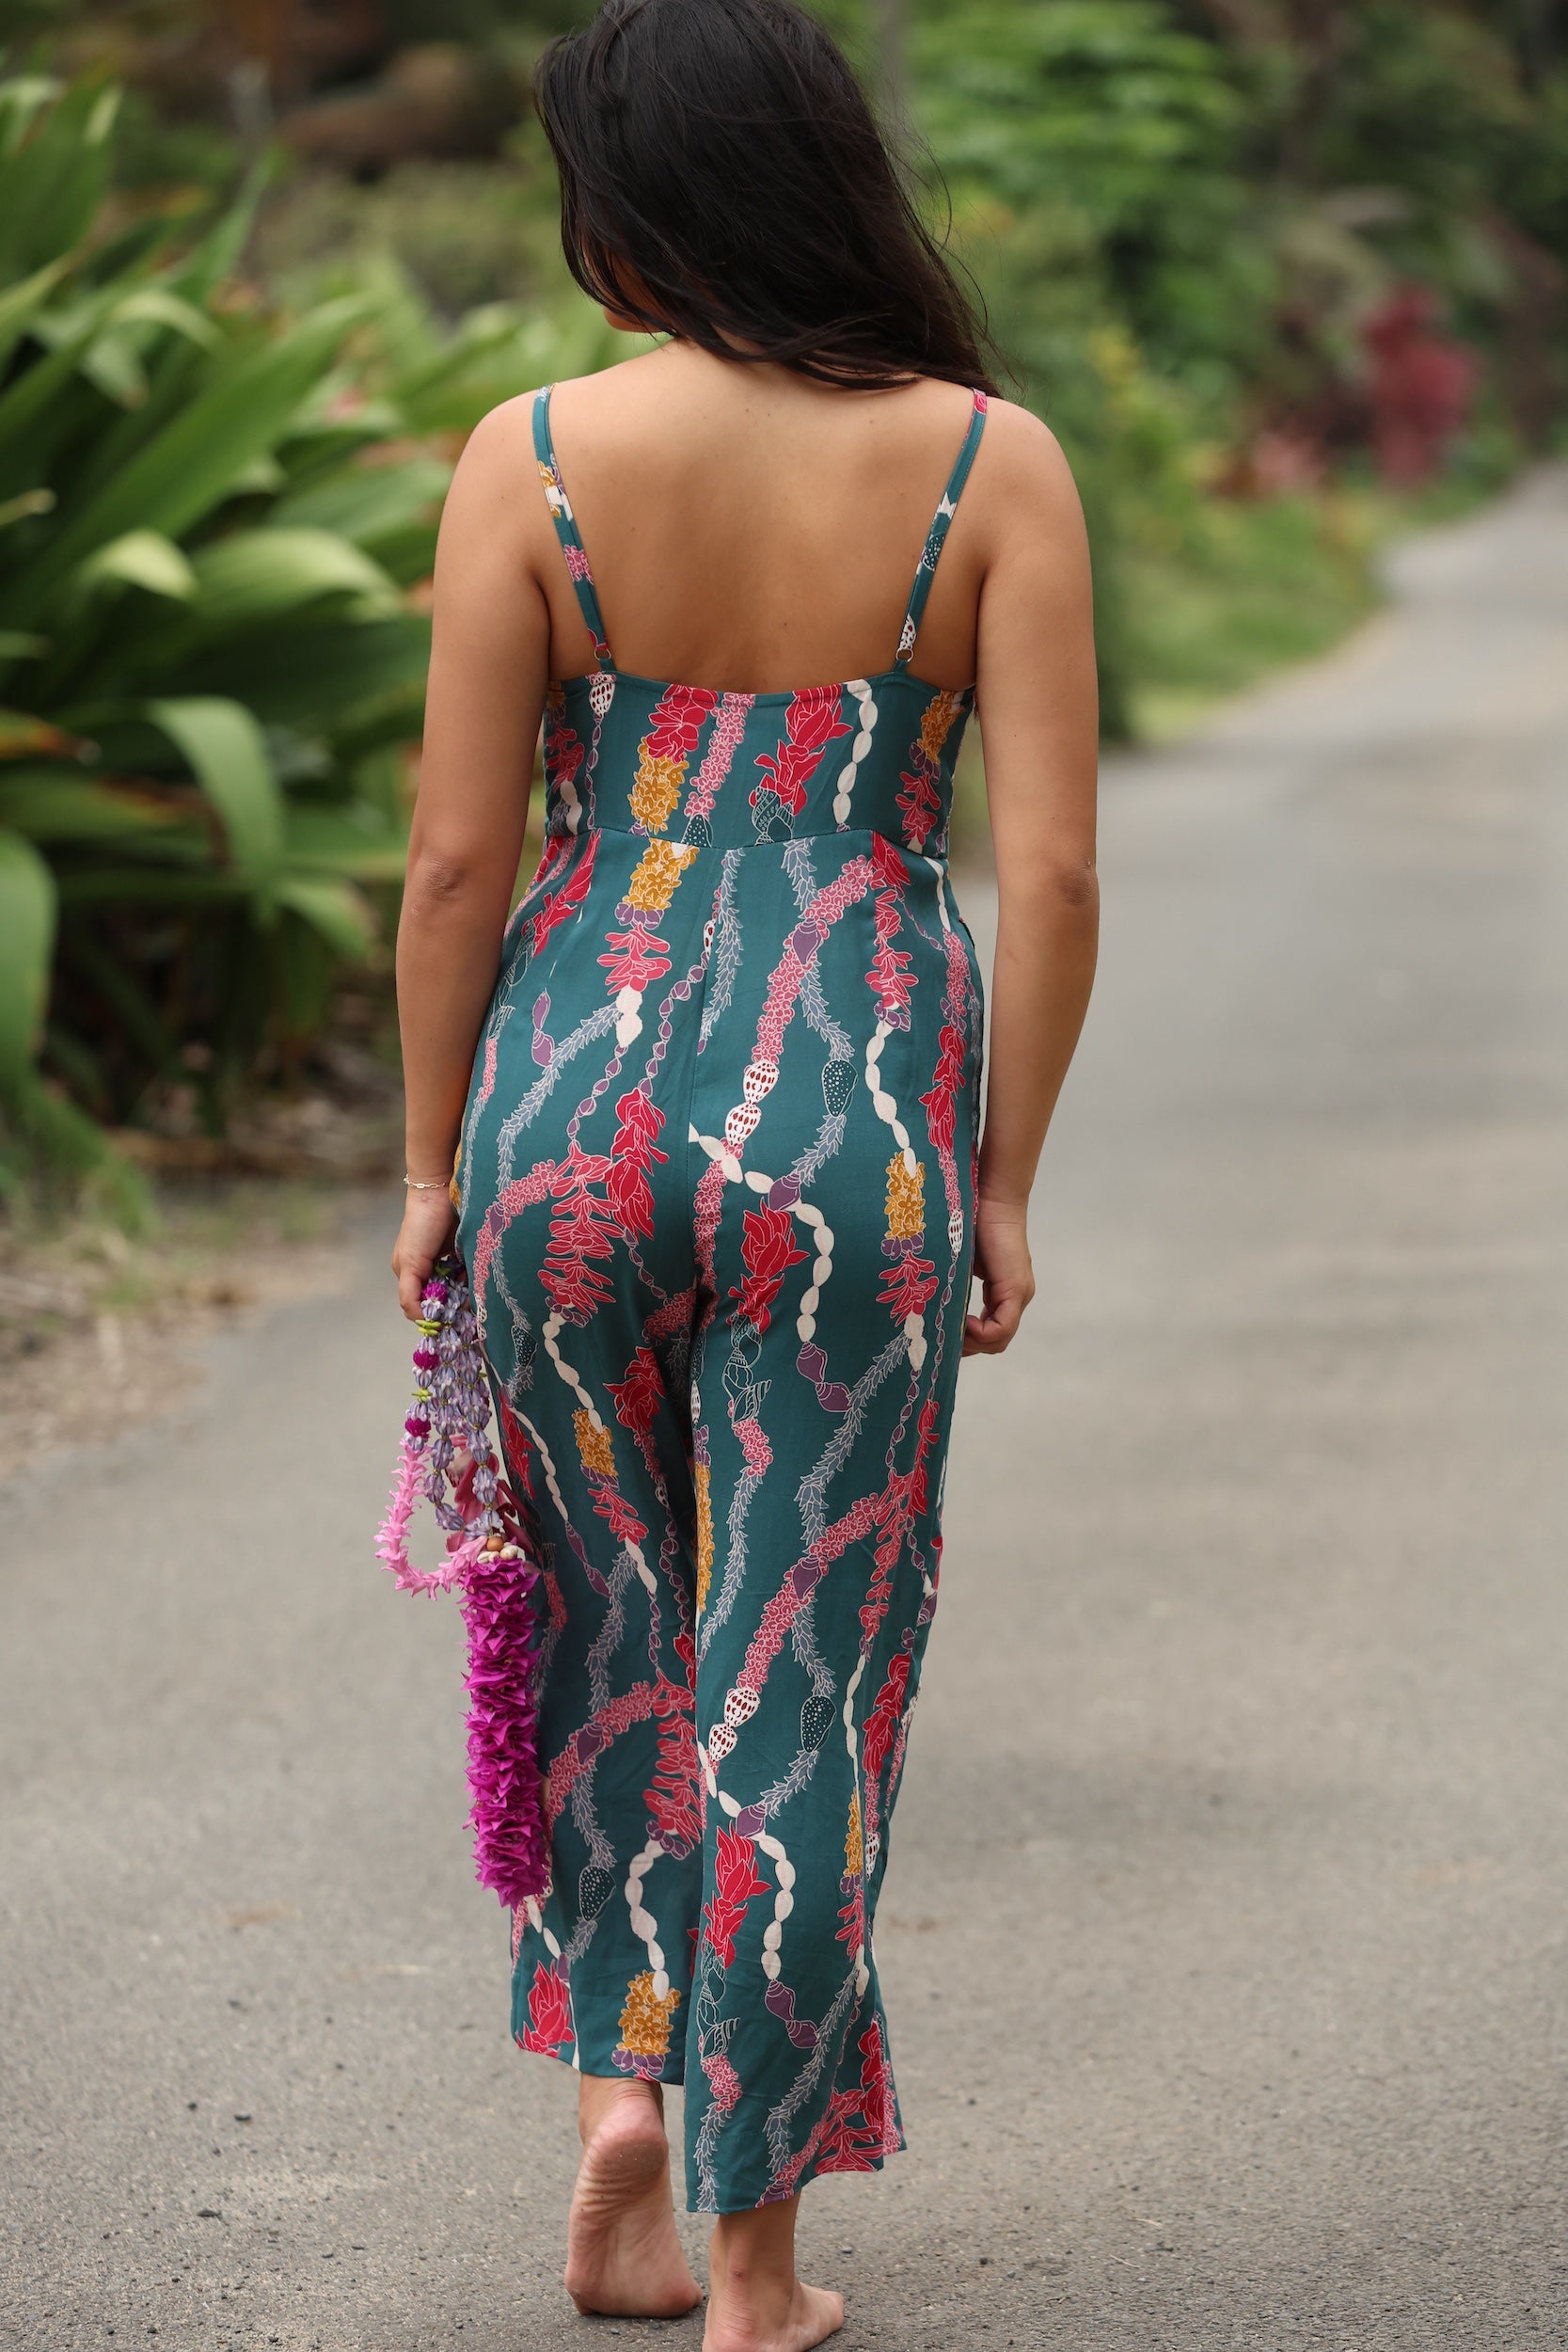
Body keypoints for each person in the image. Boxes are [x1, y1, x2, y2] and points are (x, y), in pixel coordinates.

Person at [390, 1, 1098, 2344]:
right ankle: (756, 2263)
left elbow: (457, 856)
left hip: (568, 1096)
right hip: (855, 1106)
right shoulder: (994, 462)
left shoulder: (529, 454)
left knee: (607, 1633)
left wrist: (424, 1166)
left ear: (638, 205)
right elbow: (1058, 876)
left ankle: (623, 2101)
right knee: (800, 1662)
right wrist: (995, 1183)